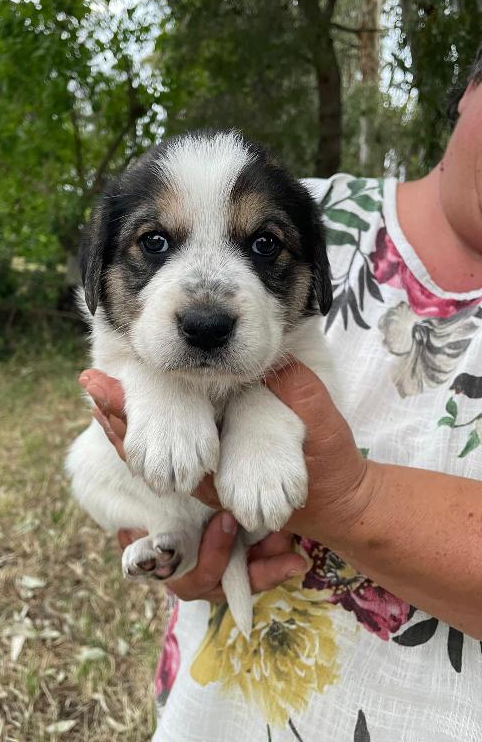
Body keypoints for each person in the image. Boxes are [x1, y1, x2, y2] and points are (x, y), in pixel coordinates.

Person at [79, 46, 482, 741]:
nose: (207, 302)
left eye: (264, 247)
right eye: (155, 242)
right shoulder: (326, 205)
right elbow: (114, 361)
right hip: (220, 699)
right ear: (471, 88)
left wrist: (278, 434)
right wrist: (155, 399)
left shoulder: (300, 291)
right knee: (87, 465)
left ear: (313, 278)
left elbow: (303, 386)